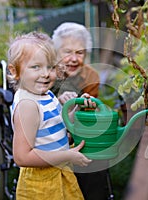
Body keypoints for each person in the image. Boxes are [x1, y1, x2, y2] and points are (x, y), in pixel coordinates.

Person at [7, 31, 95, 199]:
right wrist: (67, 155)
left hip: (58, 172)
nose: (46, 74)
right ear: (15, 71)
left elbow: (58, 127)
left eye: (51, 67)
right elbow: (22, 157)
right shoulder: (28, 106)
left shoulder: (45, 95)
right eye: (36, 67)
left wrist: (78, 109)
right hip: (41, 183)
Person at [51, 22, 113, 200]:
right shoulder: (47, 74)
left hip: (77, 130)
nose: (74, 58)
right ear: (56, 53)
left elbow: (90, 116)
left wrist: (87, 103)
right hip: (48, 132)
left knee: (95, 155)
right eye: (67, 52)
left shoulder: (91, 76)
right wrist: (59, 101)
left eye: (80, 52)